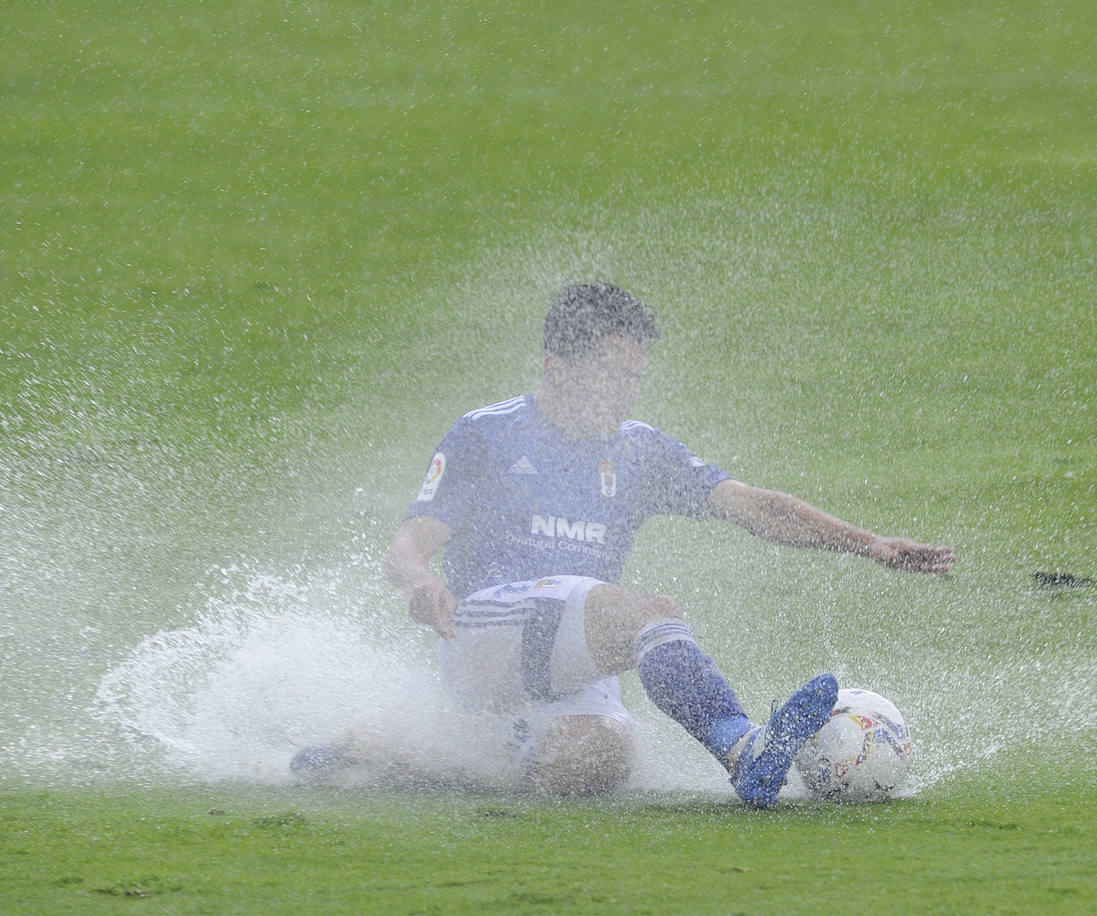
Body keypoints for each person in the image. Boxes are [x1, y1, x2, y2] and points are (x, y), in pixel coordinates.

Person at [294, 283, 954, 807]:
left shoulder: (638, 450)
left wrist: (868, 543)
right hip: (481, 632)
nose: (628, 390)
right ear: (556, 366)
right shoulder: (487, 434)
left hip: (568, 652)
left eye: (636, 375)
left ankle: (404, 754)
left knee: (602, 760)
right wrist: (421, 585)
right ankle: (744, 747)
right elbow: (408, 543)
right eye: (613, 372)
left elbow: (754, 506)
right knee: (647, 612)